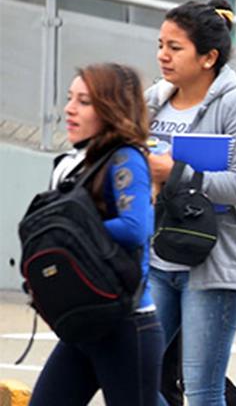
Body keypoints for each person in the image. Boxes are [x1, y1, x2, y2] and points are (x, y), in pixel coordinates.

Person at [147, 0, 236, 406]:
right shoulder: (153, 101)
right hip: (159, 261)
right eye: (161, 44)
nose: (163, 55)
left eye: (175, 47)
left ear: (208, 57)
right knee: (135, 376)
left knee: (201, 392)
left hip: (214, 268)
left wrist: (174, 173)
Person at [30, 63, 163, 405]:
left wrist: (70, 239)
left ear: (110, 109)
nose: (69, 109)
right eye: (70, 98)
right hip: (83, 321)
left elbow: (136, 228)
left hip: (125, 324)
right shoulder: (70, 163)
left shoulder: (125, 158)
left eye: (84, 101)